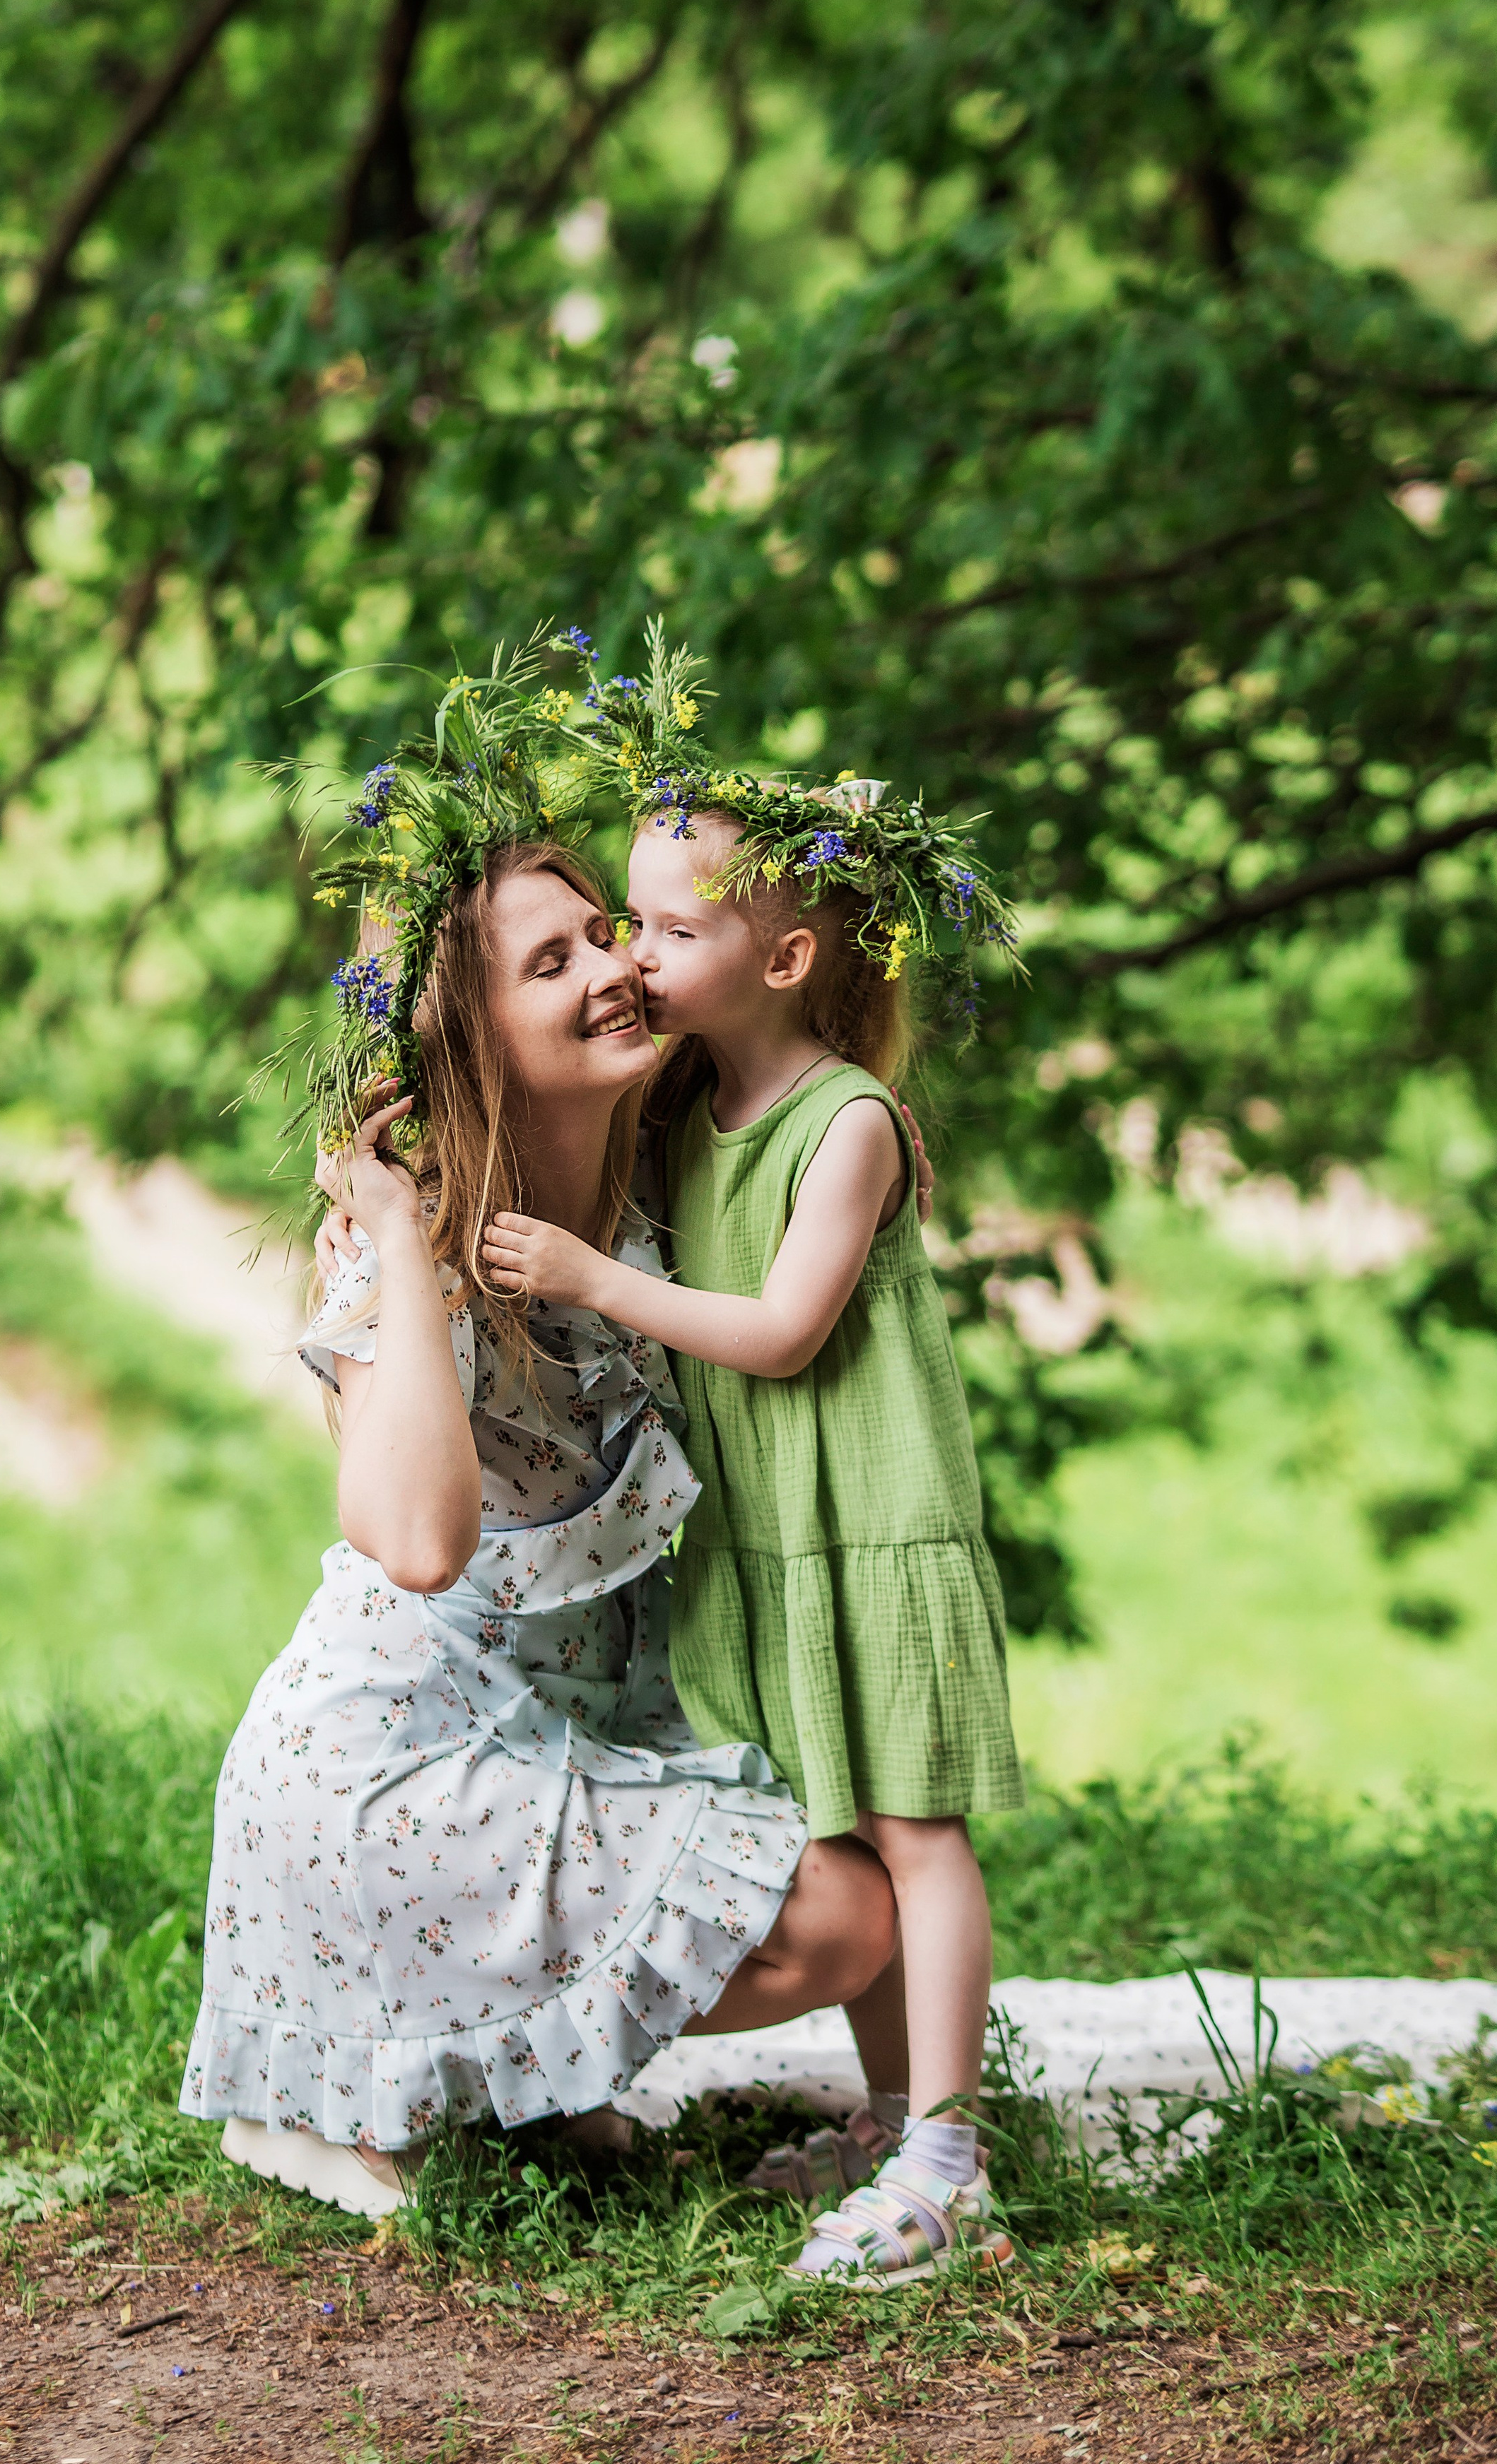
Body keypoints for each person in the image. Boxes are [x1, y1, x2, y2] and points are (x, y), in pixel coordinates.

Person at [180, 674, 896, 2215]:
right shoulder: (408, 1240)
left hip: (559, 1740)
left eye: (611, 935)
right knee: (836, 1916)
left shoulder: (654, 1198)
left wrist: (833, 849)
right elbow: (420, 1542)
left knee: (854, 1897)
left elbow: (770, 965)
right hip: (385, 1771)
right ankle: (346, 2085)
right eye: (550, 960)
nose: (614, 971)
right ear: (471, 1032)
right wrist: (391, 1230)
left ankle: (511, 2071)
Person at [480, 647, 1024, 2290]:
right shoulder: (689, 1109)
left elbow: (782, 1332)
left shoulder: (841, 1120)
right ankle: (885, 2109)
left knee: (915, 1833)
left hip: (872, 1529)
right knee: (835, 1827)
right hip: (775, 1540)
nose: (635, 956)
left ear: (782, 956)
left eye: (668, 929)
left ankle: (948, 2147)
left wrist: (586, 1283)